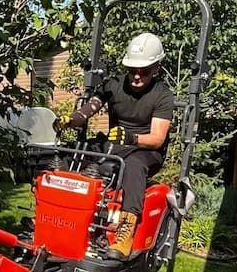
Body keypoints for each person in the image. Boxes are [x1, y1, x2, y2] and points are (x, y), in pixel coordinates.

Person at [61, 32, 175, 260]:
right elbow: (90, 107)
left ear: (156, 68)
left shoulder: (163, 95)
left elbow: (157, 138)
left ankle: (125, 231)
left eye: (143, 71)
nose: (136, 76)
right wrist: (72, 119)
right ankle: (63, 212)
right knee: (75, 152)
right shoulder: (113, 85)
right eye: (132, 70)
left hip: (146, 151)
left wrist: (131, 138)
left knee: (132, 165)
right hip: (117, 144)